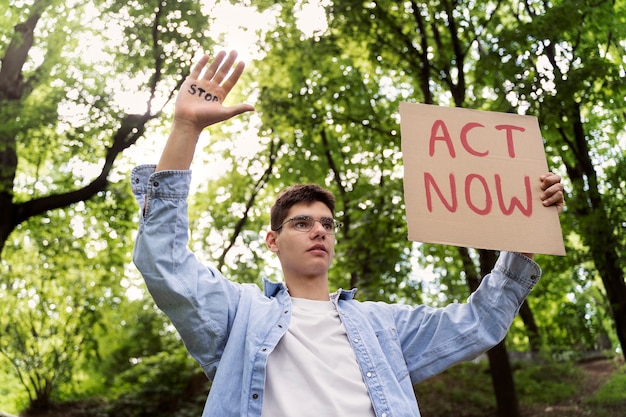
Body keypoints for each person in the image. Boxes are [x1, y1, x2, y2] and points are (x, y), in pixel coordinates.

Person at [131, 50, 565, 417]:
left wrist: (526, 231)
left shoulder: (383, 325)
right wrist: (185, 129)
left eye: (327, 224)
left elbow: (478, 323)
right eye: (301, 223)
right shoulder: (239, 314)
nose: (318, 231)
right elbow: (163, 262)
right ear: (272, 240)